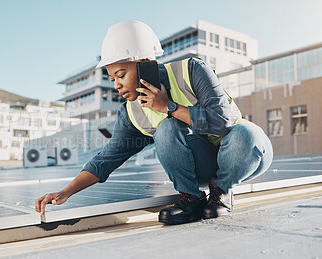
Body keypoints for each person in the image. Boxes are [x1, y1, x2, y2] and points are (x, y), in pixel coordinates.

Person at [35, 20, 273, 225]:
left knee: (245, 134)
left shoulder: (192, 70)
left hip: (246, 154)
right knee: (167, 129)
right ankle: (191, 200)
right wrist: (66, 191)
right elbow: (105, 160)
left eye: (121, 75)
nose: (116, 85)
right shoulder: (132, 114)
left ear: (146, 63)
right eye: (112, 78)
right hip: (203, 166)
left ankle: (219, 193)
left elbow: (221, 122)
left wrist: (168, 106)